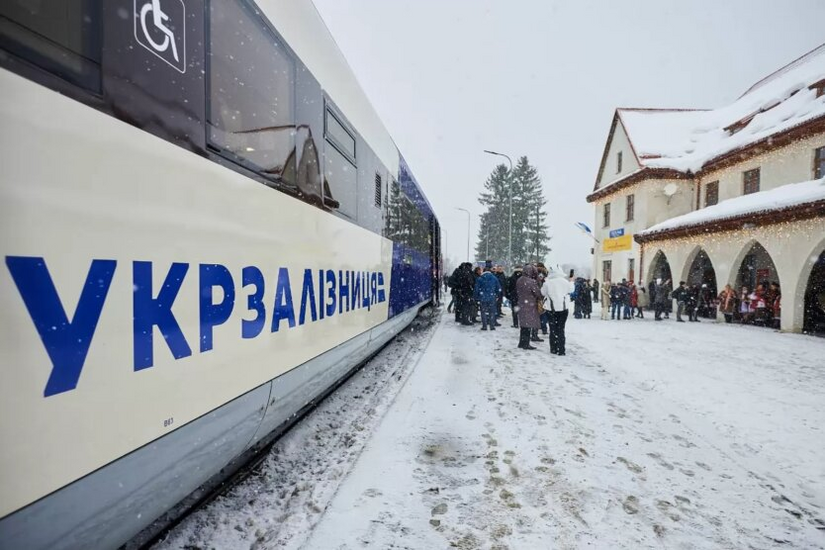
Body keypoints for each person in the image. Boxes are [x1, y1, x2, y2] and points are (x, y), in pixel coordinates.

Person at [542, 269, 576, 355]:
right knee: (561, 329)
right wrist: (571, 281)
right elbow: (571, 290)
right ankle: (561, 349)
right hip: (563, 309)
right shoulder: (565, 282)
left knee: (552, 329)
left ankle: (553, 348)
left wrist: (546, 282)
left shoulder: (548, 283)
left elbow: (542, 293)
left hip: (551, 309)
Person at [516, 265, 542, 350]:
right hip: (530, 305)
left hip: (521, 304)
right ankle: (526, 344)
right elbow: (538, 293)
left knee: (523, 324)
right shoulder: (531, 282)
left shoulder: (519, 280)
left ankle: (521, 342)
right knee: (528, 324)